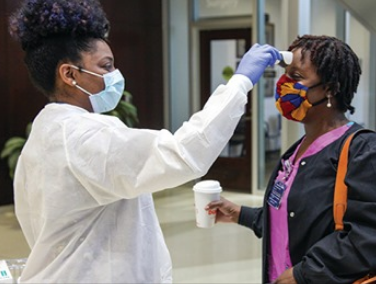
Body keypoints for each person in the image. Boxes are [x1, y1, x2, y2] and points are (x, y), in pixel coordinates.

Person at [8, 0, 281, 283]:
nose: (115, 76)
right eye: (105, 66)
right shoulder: (84, 135)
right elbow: (183, 154)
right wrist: (240, 83)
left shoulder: (44, 133)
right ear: (69, 74)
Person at [207, 34, 376, 284]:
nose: (284, 84)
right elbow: (295, 218)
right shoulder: (297, 151)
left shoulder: (367, 151)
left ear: (329, 88)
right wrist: (239, 214)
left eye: (296, 77)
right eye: (285, 75)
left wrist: (305, 274)